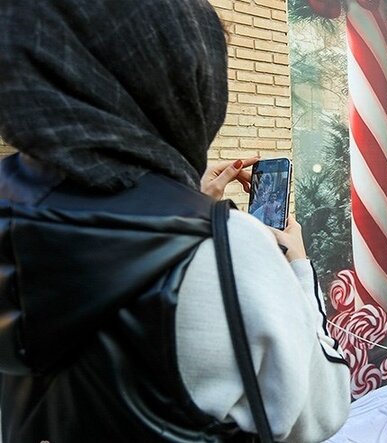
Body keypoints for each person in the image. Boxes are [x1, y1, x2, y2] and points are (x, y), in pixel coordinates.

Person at [0, 1, 350, 442]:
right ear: (181, 83)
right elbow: (321, 411)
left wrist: (185, 202)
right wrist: (296, 266)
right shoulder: (230, 250)